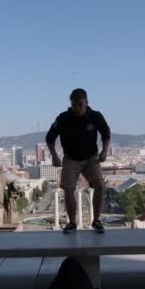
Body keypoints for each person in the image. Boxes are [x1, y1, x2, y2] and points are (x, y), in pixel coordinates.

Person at [46, 88, 111, 234]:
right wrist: (54, 156)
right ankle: (72, 223)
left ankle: (96, 220)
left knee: (100, 186)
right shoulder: (63, 118)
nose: (77, 108)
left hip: (91, 158)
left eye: (80, 104)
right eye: (74, 104)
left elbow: (106, 133)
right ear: (71, 103)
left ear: (86, 102)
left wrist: (105, 150)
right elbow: (50, 138)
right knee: (68, 190)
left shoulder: (95, 116)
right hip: (70, 158)